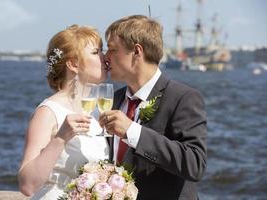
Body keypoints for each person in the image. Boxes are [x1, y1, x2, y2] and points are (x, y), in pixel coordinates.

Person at [99, 15, 207, 200]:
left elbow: (194, 164)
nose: (105, 57)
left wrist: (133, 132)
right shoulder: (113, 100)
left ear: (136, 51)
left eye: (112, 49)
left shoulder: (183, 98)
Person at [18, 25, 109, 199]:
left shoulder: (99, 111)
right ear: (73, 64)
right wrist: (60, 138)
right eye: (96, 52)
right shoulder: (48, 112)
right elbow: (27, 185)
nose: (105, 58)